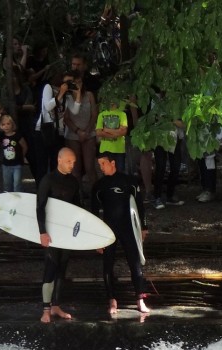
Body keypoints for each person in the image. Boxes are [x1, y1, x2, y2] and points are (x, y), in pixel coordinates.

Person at [90, 153, 149, 315]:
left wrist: (143, 227)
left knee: (134, 263)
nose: (101, 167)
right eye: (99, 164)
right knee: (107, 265)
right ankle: (112, 300)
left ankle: (140, 299)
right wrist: (96, 238)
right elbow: (94, 214)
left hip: (128, 228)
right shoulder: (99, 186)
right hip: (108, 231)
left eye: (103, 163)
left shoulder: (128, 181)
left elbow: (139, 205)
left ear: (113, 163)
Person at [36, 147, 82, 323]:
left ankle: (56, 305)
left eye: (74, 162)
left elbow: (78, 209)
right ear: (59, 159)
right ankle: (45, 309)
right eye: (69, 161)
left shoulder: (73, 182)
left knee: (62, 269)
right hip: (51, 232)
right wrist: (42, 232)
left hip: (67, 233)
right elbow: (40, 207)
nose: (72, 165)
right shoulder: (48, 180)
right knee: (51, 267)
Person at [62, 72, 98, 197]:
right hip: (72, 134)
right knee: (75, 169)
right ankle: (78, 196)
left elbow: (94, 113)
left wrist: (87, 131)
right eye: (74, 83)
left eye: (79, 82)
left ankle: (96, 194)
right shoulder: (67, 98)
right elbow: (66, 118)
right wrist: (78, 131)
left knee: (90, 168)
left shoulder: (89, 95)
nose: (77, 85)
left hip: (89, 133)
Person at [0, 114, 28, 193]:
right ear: (1, 126)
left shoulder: (17, 135)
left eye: (8, 124)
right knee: (7, 185)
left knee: (17, 184)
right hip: (6, 165)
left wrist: (22, 156)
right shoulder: (1, 136)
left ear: (12, 124)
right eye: (3, 124)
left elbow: (24, 146)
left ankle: (17, 201)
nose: (6, 126)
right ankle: (8, 201)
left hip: (17, 164)